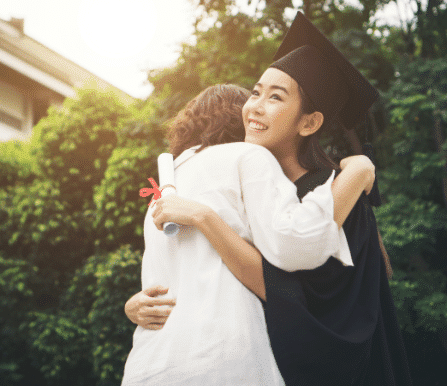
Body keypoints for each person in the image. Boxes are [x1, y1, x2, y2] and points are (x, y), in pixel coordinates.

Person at [130, 12, 412, 385]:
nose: (255, 106)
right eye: (256, 92)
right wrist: (139, 305)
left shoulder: (333, 193)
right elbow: (210, 274)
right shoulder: (248, 182)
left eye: (275, 97)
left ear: (308, 122)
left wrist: (204, 217)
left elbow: (299, 300)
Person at [121, 83, 375, 385]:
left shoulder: (160, 196)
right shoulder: (247, 156)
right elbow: (291, 246)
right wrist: (356, 171)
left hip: (150, 365)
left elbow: (159, 289)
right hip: (222, 356)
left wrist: (130, 307)